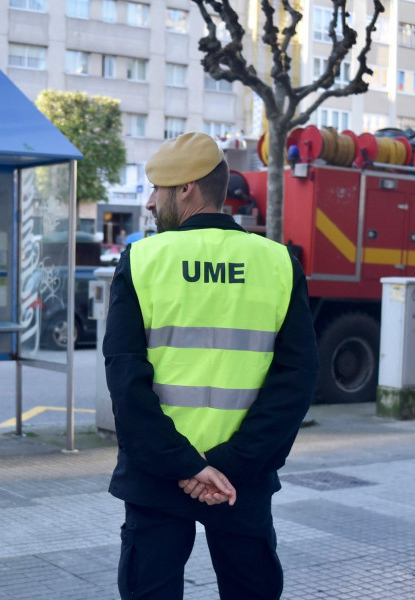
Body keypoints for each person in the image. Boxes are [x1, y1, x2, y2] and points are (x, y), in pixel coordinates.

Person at [103, 132, 318, 600]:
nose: (149, 203)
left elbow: (126, 381)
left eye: (157, 189)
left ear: (186, 188)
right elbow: (296, 382)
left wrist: (183, 466)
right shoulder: (278, 264)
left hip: (158, 477)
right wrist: (229, 467)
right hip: (241, 479)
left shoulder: (142, 262)